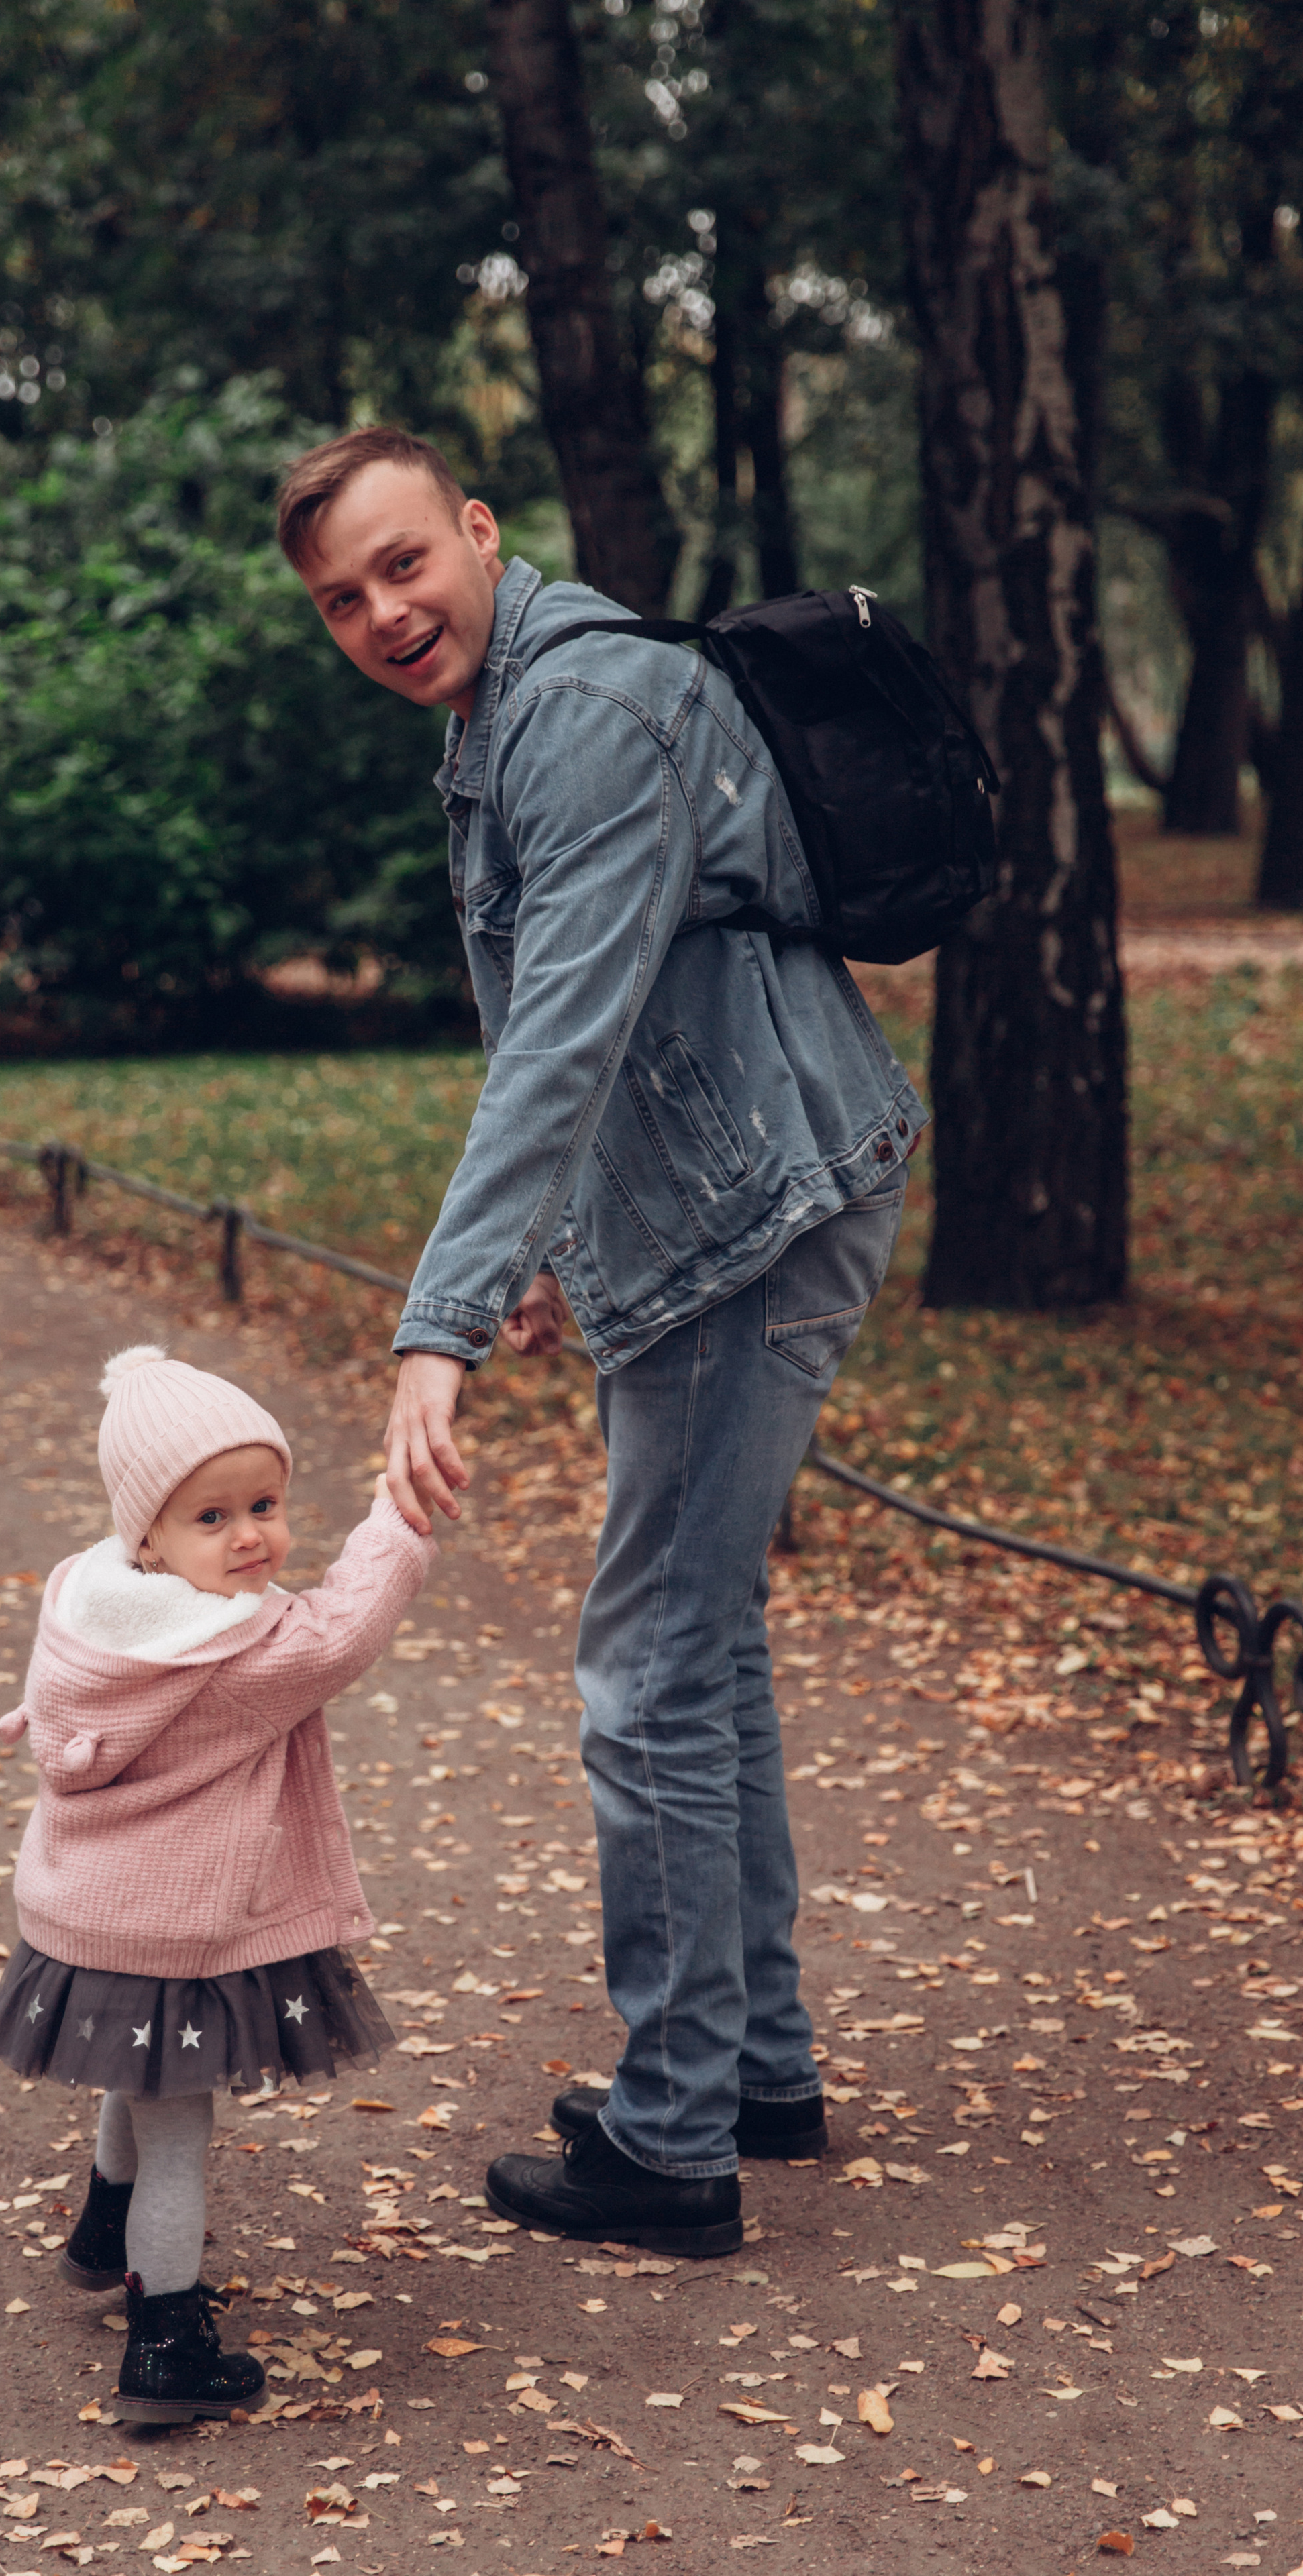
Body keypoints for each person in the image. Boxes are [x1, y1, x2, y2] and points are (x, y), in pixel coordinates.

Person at [278, 428, 925, 2259]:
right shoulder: (508, 721)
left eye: (408, 563)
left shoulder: (590, 713)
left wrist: (445, 1329)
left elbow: (561, 1036)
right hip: (721, 1200)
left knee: (643, 1669)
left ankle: (672, 2141)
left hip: (762, 1210)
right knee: (696, 1647)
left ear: (480, 534)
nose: (387, 612)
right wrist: (569, 1244)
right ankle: (752, 2073)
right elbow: (608, 1020)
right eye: (345, 599)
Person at [0, 1344, 436, 2419]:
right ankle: (166, 2345)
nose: (251, 1539)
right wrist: (402, 1512)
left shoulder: (91, 1608)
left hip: (86, 1916)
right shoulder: (235, 1653)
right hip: (176, 1930)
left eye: (265, 1504)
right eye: (213, 1518)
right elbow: (345, 1628)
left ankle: (105, 2229)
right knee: (180, 2128)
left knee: (129, 2079)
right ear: (148, 1533)